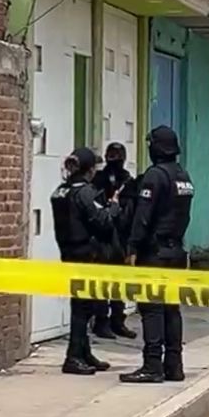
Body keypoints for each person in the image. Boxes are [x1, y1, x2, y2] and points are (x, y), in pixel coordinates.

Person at [120, 126, 194, 384]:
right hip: (176, 252)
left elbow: (143, 217)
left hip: (155, 253)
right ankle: (174, 365)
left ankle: (152, 365)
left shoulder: (155, 175)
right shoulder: (183, 176)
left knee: (151, 309)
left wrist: (132, 247)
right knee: (172, 309)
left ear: (157, 147)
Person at [51, 147, 121, 375]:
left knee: (82, 304)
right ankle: (73, 357)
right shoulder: (85, 193)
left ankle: (83, 351)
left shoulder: (60, 191)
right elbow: (102, 222)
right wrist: (113, 206)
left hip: (68, 252)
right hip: (86, 254)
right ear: (89, 170)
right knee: (83, 307)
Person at [90, 142, 138, 340]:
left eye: (117, 155)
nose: (114, 159)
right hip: (102, 237)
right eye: (112, 155)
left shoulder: (128, 181)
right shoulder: (98, 179)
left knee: (118, 282)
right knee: (102, 282)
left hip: (121, 237)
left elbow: (132, 211)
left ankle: (118, 320)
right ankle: (101, 322)